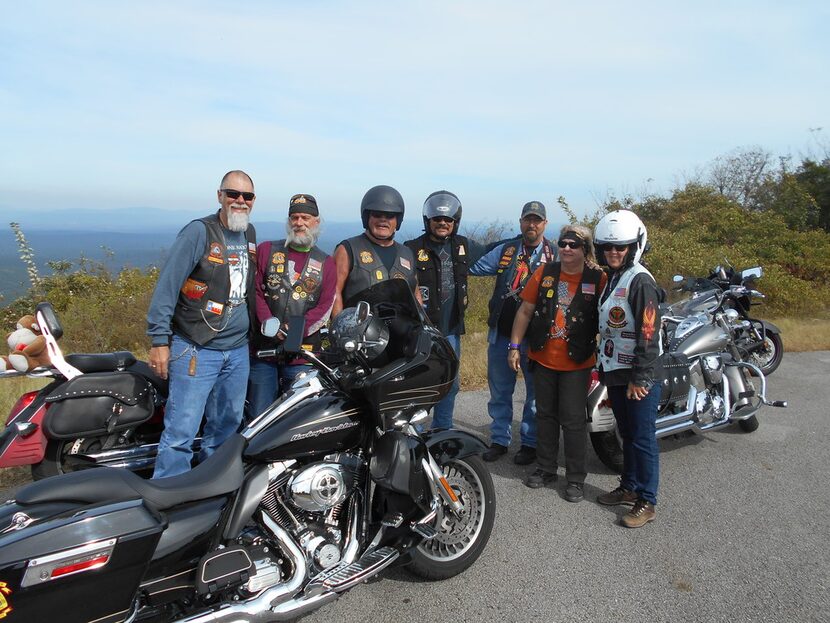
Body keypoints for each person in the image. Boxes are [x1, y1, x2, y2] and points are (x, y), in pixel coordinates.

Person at [147, 170, 257, 478]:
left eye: (246, 196)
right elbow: (168, 285)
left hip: (237, 351)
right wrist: (159, 341)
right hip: (196, 347)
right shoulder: (199, 232)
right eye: (232, 194)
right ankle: (168, 498)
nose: (239, 201)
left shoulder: (250, 234)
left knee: (225, 427)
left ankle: (210, 491)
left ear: (253, 201)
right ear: (219, 195)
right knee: (182, 430)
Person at [508, 225, 607, 502]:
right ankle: (545, 468)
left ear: (585, 249)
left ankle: (575, 479)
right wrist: (515, 346)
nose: (566, 248)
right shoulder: (545, 273)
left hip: (578, 363)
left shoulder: (598, 278)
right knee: (545, 415)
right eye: (563, 243)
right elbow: (525, 310)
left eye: (573, 245)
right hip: (543, 359)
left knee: (574, 421)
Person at [470, 201, 557, 464]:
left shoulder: (555, 254)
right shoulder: (506, 250)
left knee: (534, 394)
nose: (532, 225)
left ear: (545, 224)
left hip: (537, 337)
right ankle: (499, 440)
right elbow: (474, 267)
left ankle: (530, 444)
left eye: (537, 220)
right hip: (502, 333)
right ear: (520, 222)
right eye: (527, 220)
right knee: (500, 391)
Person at [593, 210, 663, 528]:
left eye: (620, 247)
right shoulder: (613, 279)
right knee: (628, 434)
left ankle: (647, 501)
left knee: (643, 437)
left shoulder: (640, 281)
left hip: (637, 374)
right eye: (608, 247)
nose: (614, 252)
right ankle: (629, 488)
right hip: (616, 371)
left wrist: (641, 376)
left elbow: (649, 333)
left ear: (634, 246)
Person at [247, 193, 336, 416]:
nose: (299, 223)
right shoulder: (267, 250)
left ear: (316, 222)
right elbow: (255, 291)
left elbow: (325, 306)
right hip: (263, 352)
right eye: (294, 218)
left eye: (305, 218)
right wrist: (270, 323)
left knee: (297, 417)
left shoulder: (327, 262)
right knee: (260, 415)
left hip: (302, 356)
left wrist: (295, 331)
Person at [404, 191, 482, 429]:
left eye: (448, 220)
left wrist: (523, 242)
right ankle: (413, 434)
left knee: (451, 383)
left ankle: (442, 431)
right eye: (437, 219)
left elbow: (494, 251)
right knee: (419, 383)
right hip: (421, 332)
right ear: (428, 220)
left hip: (450, 331)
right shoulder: (411, 248)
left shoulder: (463, 246)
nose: (442, 223)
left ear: (454, 222)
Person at [333, 185, 420, 317]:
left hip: (402, 334)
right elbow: (334, 292)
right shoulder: (348, 249)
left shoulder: (407, 253)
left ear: (398, 220)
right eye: (377, 214)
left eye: (390, 215)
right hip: (360, 333)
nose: (383, 220)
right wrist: (340, 326)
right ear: (367, 217)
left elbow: (416, 294)